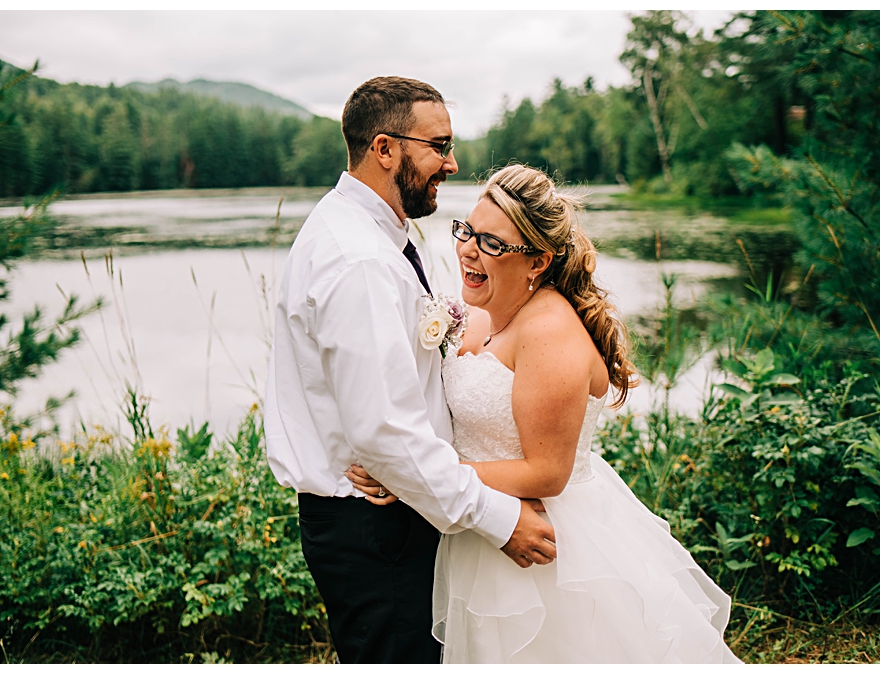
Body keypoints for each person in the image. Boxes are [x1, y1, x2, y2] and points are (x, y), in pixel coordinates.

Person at [347, 164, 744, 663]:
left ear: (537, 261)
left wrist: (412, 476)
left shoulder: (549, 332)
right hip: (483, 526)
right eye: (467, 231)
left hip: (549, 544)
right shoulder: (476, 314)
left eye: (493, 243)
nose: (468, 249)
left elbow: (547, 472)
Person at [263, 78, 558, 665]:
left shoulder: (366, 232)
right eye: (439, 145)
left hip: (391, 514)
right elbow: (385, 434)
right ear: (384, 149)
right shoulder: (360, 261)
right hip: (376, 527)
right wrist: (499, 519)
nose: (451, 162)